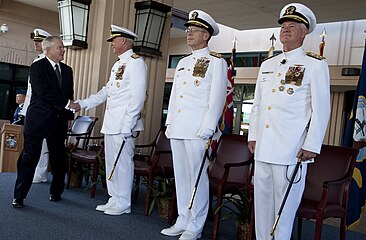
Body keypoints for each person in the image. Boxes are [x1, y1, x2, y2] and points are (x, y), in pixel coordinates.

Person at [247, 3, 331, 240]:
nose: (286, 29)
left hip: (291, 151)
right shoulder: (268, 65)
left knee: (283, 212)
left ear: (305, 31)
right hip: (263, 148)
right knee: (262, 209)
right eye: (283, 25)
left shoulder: (315, 65)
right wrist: (253, 135)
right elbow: (258, 105)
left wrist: (311, 145)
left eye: (292, 25)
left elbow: (321, 109)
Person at [160, 10, 227, 240]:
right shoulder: (183, 62)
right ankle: (182, 219)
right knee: (181, 176)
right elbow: (175, 95)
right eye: (188, 29)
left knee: (197, 177)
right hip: (178, 128)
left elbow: (217, 98)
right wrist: (169, 123)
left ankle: (196, 225)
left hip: (199, 130)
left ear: (206, 35)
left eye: (194, 30)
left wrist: (208, 128)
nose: (188, 33)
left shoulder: (216, 62)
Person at [69, 25, 147, 216]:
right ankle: (114, 198)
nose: (112, 44)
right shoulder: (118, 64)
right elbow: (107, 91)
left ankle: (124, 202)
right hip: (112, 123)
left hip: (124, 125)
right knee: (112, 162)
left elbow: (138, 98)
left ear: (124, 41)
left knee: (123, 163)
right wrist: (82, 103)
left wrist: (128, 125)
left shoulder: (137, 63)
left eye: (114, 40)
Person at [12, 36, 75, 208]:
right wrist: (68, 104)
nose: (63, 50)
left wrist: (69, 117)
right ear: (48, 49)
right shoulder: (37, 67)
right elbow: (43, 92)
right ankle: (19, 196)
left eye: (63, 47)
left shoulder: (68, 70)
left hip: (58, 122)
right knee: (29, 158)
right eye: (60, 47)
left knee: (58, 159)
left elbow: (69, 94)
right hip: (38, 121)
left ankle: (56, 192)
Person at [20, 28, 52, 184]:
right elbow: (30, 89)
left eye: (38, 41)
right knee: (32, 141)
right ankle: (33, 170)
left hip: (42, 110)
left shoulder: (48, 63)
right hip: (32, 108)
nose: (35, 44)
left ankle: (41, 172)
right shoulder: (37, 60)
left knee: (43, 141)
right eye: (35, 41)